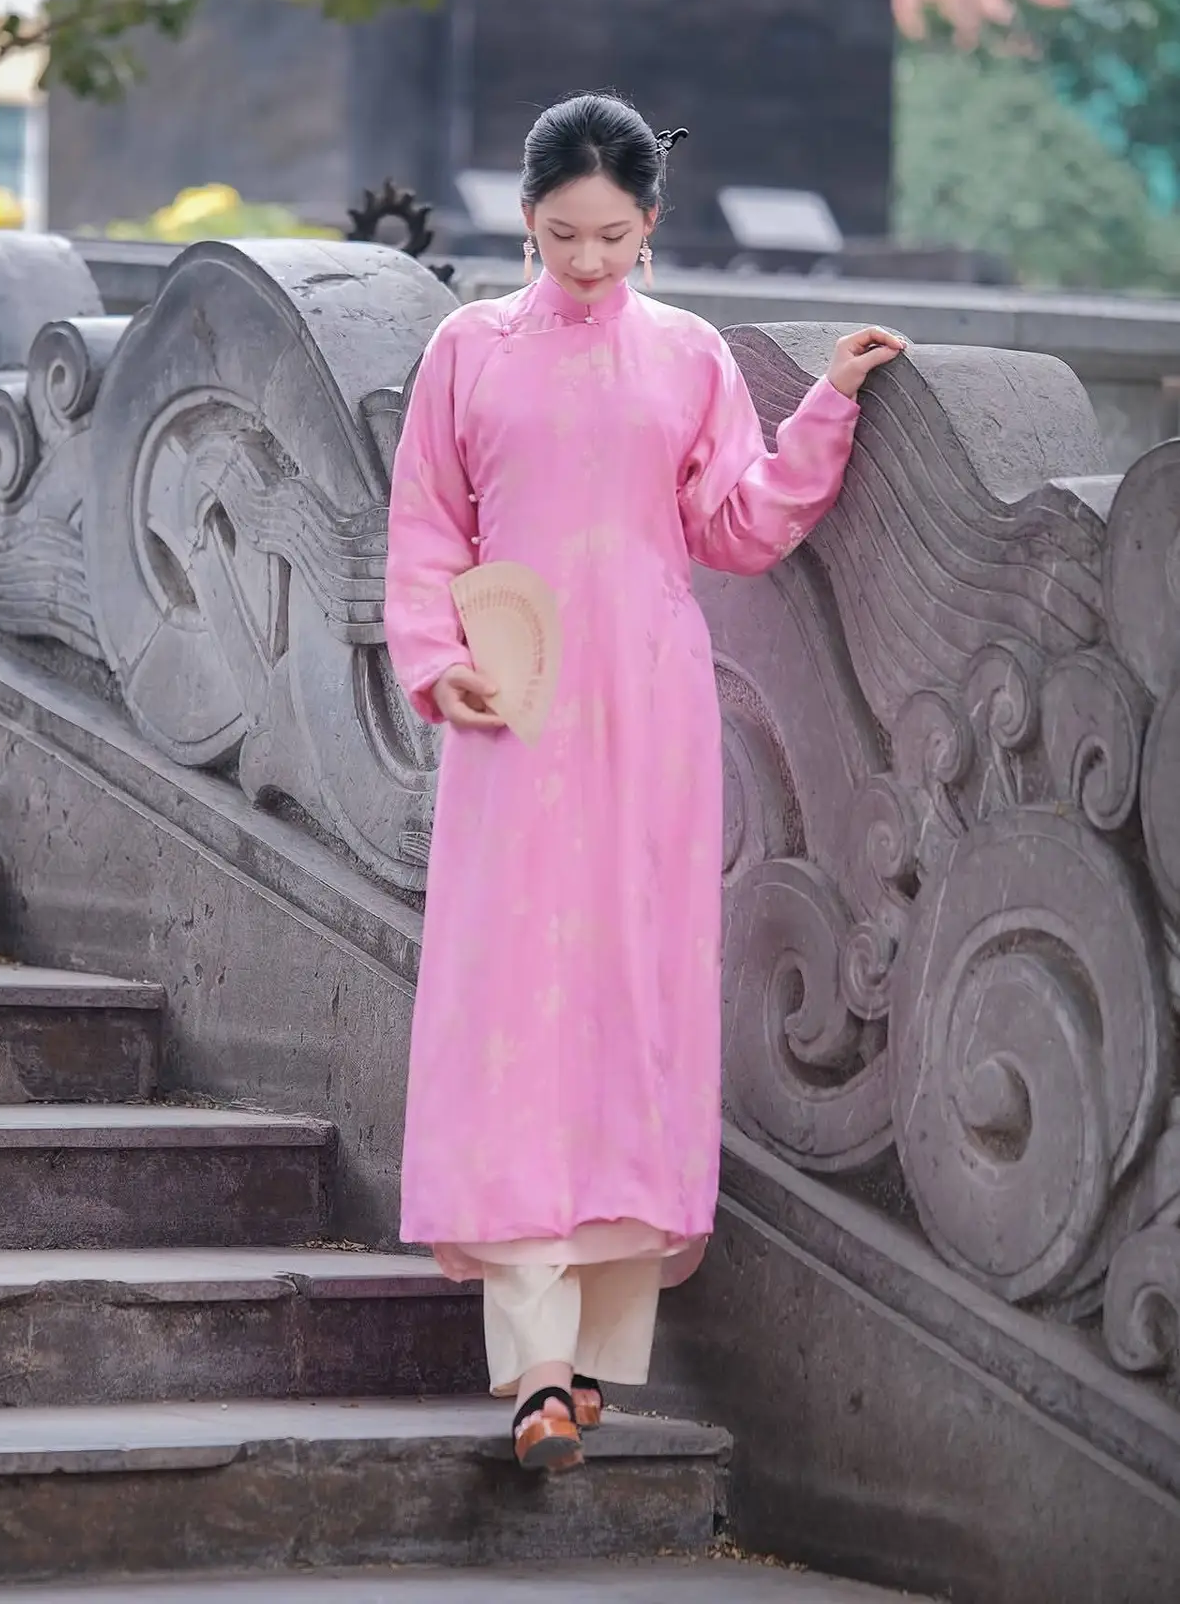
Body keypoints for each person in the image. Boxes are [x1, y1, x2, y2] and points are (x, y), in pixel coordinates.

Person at [383, 92, 904, 1472]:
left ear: (651, 226)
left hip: (653, 718)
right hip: (517, 714)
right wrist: (437, 662)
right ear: (526, 221)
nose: (589, 261)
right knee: (514, 1011)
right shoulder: (466, 351)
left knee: (633, 998)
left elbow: (734, 523)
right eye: (564, 235)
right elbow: (426, 528)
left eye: (614, 237)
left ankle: (598, 1359)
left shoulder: (688, 356)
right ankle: (534, 1370)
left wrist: (830, 407)